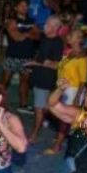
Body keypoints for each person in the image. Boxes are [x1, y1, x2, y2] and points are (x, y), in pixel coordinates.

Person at [26, 16, 63, 144]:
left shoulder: (57, 42)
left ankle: (34, 134)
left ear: (55, 27)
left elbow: (56, 64)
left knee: (38, 108)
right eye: (46, 23)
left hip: (45, 79)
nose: (45, 26)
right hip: (39, 76)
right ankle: (56, 127)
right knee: (44, 107)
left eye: (48, 24)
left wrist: (35, 63)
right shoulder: (44, 38)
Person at [1, 0, 39, 112]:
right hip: (12, 56)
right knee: (5, 81)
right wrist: (29, 33)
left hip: (27, 56)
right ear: (16, 7)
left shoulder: (32, 21)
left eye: (26, 6)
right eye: (22, 5)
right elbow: (16, 37)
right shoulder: (12, 21)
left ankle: (23, 105)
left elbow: (38, 36)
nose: (24, 8)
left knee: (25, 81)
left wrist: (24, 34)